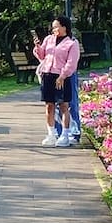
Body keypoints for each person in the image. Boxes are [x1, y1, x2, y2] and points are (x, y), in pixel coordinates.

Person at [33, 15, 81, 147]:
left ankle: (65, 134)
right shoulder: (49, 39)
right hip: (48, 74)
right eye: (53, 27)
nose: (54, 29)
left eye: (56, 27)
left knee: (64, 105)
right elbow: (42, 55)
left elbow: (72, 62)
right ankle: (51, 134)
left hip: (62, 76)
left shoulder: (71, 42)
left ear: (64, 27)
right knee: (49, 105)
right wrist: (38, 47)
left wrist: (62, 76)